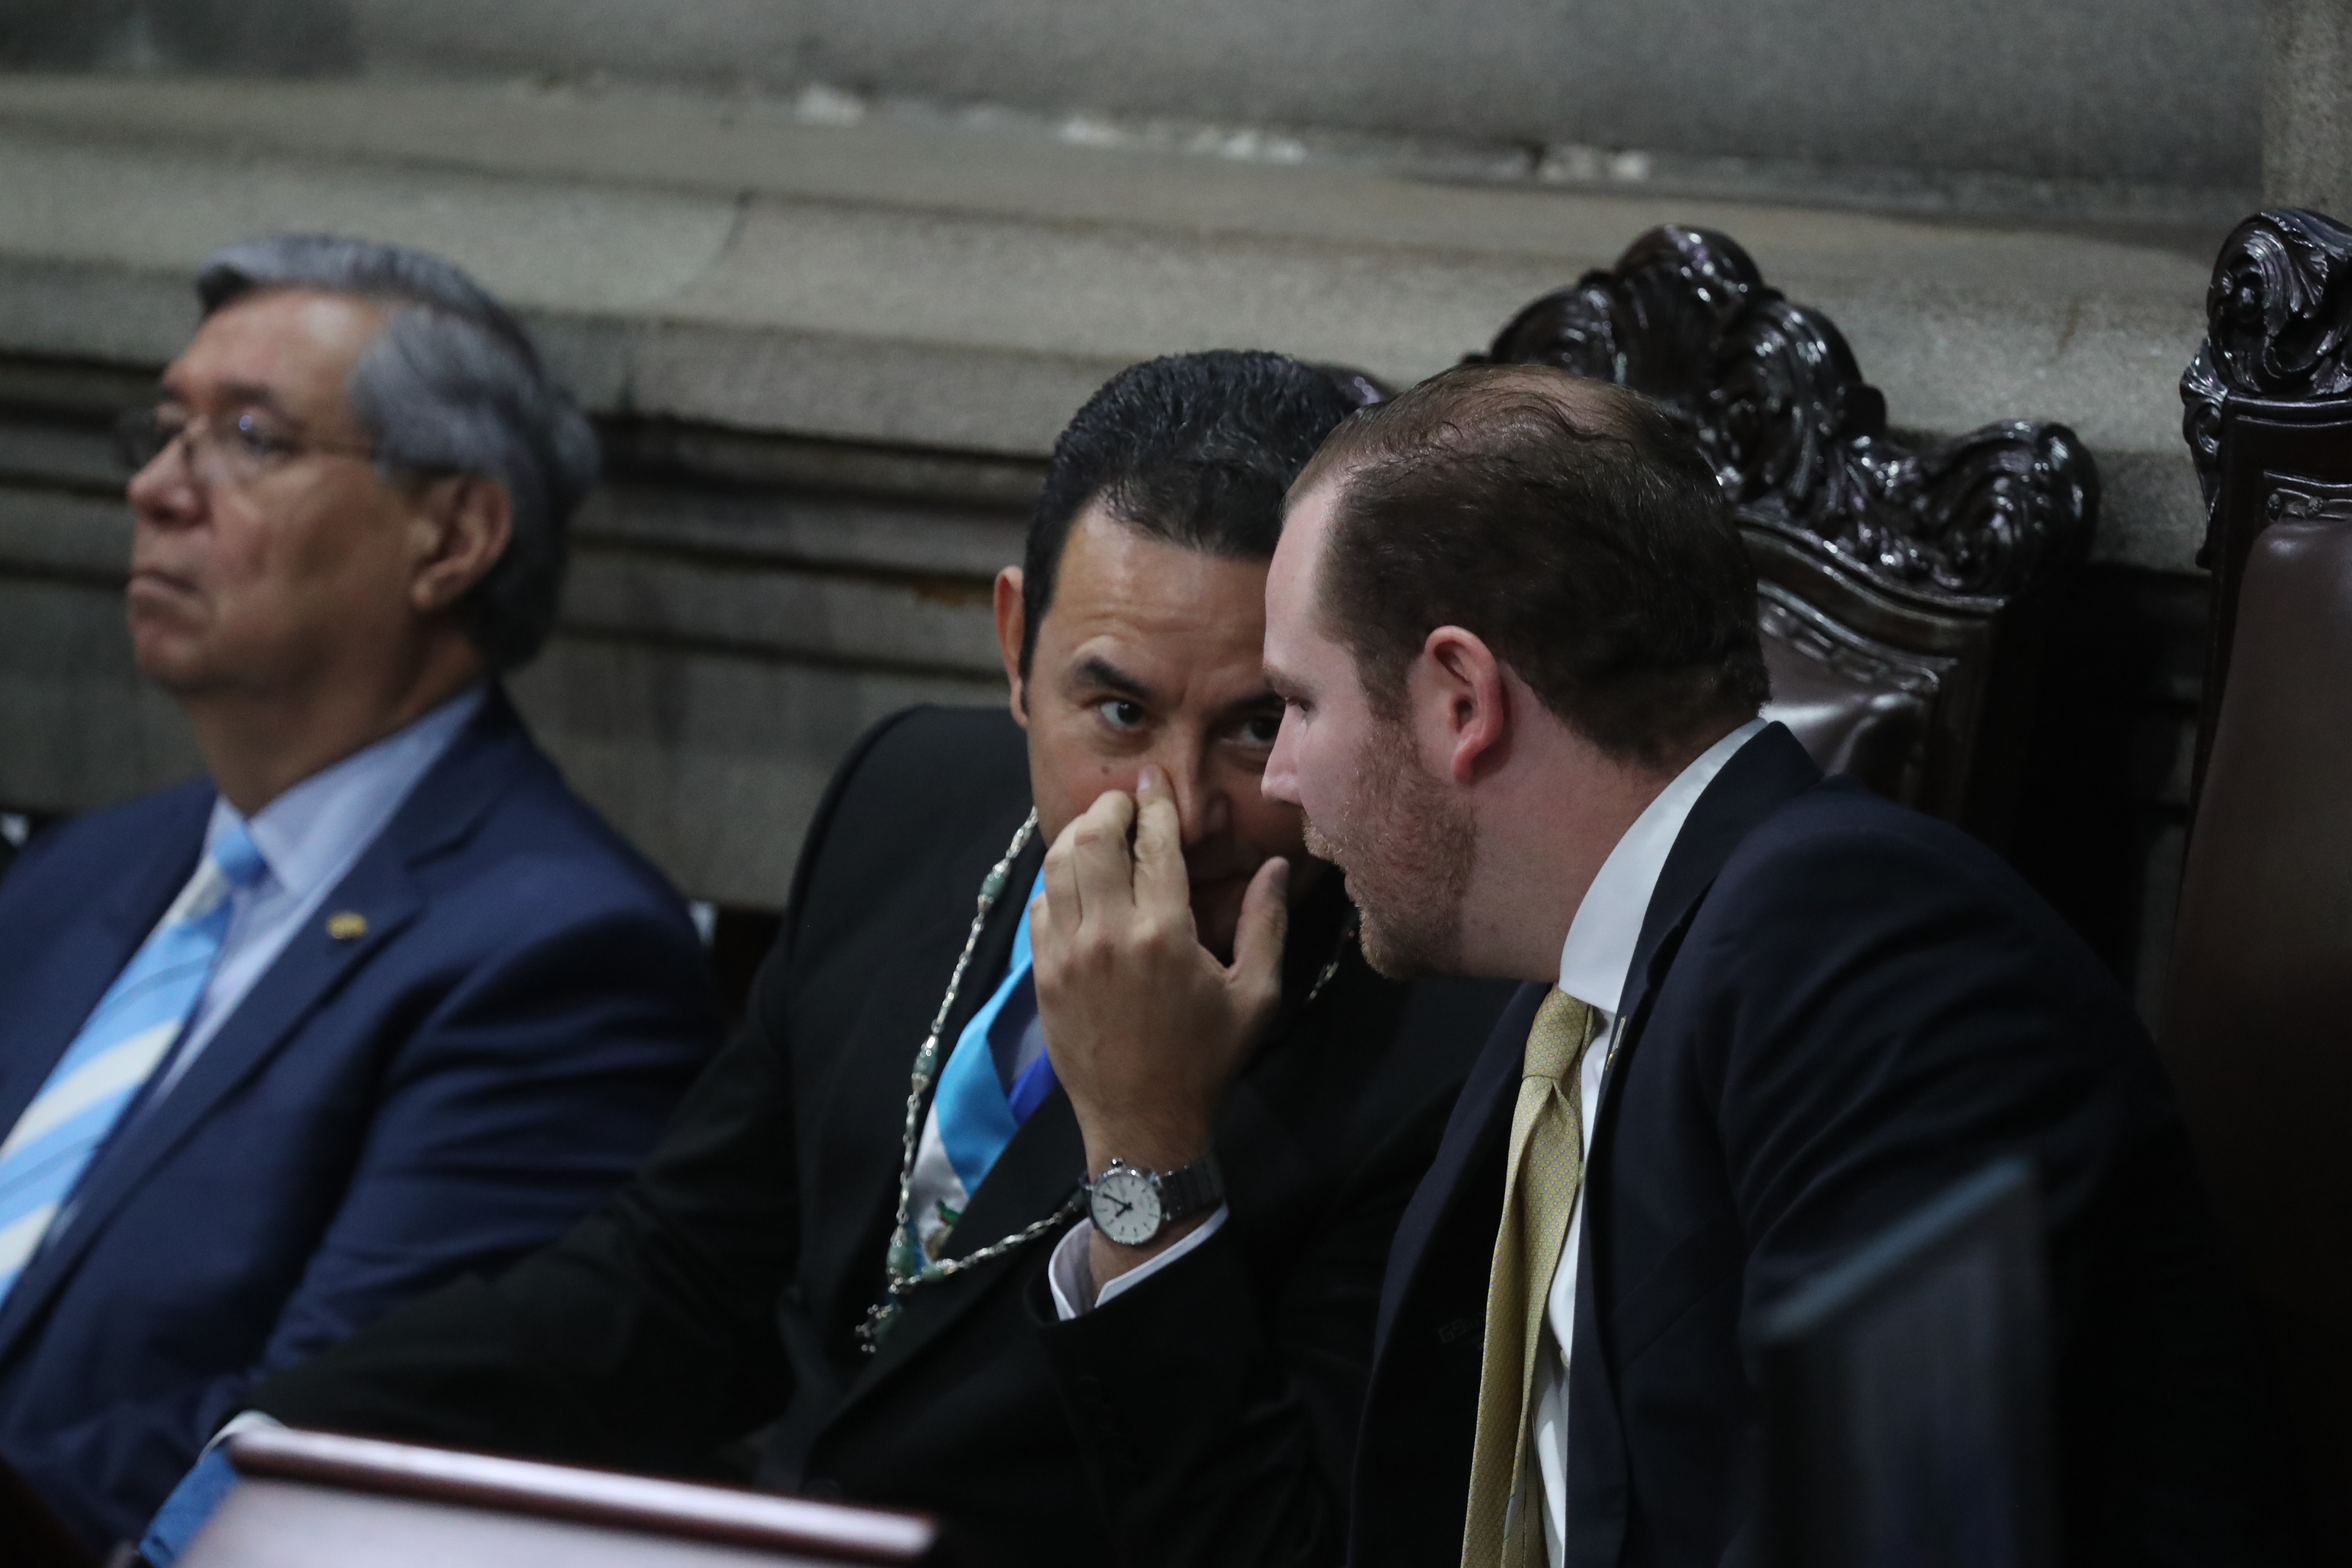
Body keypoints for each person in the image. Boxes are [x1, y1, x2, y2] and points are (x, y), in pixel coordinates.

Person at [141, 351, 1513, 1567]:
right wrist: (284, 1443)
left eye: (1255, 725)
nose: (1174, 806)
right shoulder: (907, 803)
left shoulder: (1443, 1045)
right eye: (1116, 707)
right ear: (1012, 649)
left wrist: (1149, 1151)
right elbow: (682, 1276)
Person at [1033, 360, 2292, 1567]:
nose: (1289, 786)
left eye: (1296, 708)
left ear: (1460, 700)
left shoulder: (1874, 955)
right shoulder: (1569, 1005)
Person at [0, 235, 720, 1550]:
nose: (160, 488)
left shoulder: (560, 956)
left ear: (451, 534)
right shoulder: (77, 873)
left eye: (250, 438)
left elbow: (317, 1445)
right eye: (161, 433)